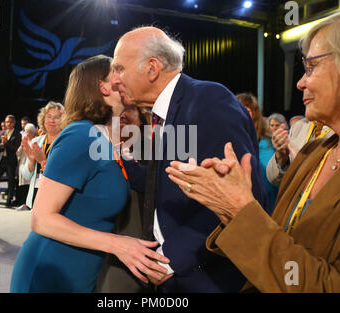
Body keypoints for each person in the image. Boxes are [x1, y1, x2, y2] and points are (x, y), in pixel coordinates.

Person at [166, 2, 340, 292]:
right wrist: (231, 211)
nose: (300, 83)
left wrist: (242, 210)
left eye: (311, 68)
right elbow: (280, 242)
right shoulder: (314, 152)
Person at [111, 27, 269, 292]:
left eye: (119, 69)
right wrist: (118, 156)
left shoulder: (208, 101)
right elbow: (162, 182)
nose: (114, 80)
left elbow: (238, 198)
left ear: (152, 68)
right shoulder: (166, 111)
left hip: (203, 278)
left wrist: (170, 261)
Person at [10, 55, 169, 293]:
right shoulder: (80, 135)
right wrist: (118, 245)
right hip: (50, 272)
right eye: (118, 71)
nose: (126, 76)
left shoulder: (105, 139)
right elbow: (41, 219)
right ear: (102, 86)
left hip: (80, 273)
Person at [96, 106, 152, 293]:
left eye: (128, 109)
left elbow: (149, 183)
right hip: (100, 246)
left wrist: (124, 157)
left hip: (138, 246)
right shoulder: (99, 149)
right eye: (117, 111)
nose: (122, 115)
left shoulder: (152, 146)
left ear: (142, 118)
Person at [237, 93, 278, 210]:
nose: (241, 112)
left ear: (255, 114)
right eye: (238, 107)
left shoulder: (269, 143)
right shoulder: (228, 142)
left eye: (246, 109)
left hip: (270, 207)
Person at [20, 102, 65, 210]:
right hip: (36, 190)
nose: (52, 120)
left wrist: (42, 160)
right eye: (48, 117)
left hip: (55, 193)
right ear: (43, 120)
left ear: (63, 120)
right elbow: (26, 175)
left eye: (56, 117)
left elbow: (63, 174)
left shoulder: (66, 143)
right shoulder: (36, 141)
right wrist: (31, 161)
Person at [267, 117, 334, 186]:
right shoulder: (299, 126)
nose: (305, 105)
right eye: (272, 125)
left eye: (276, 125)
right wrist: (281, 157)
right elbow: (273, 179)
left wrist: (301, 162)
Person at [0, 115, 22, 207]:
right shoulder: (2, 133)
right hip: (1, 160)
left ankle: (8, 201)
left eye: (11, 122)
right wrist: (3, 144)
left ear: (14, 123)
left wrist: (6, 143)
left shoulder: (18, 134)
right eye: (7, 122)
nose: (9, 124)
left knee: (11, 181)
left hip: (11, 161)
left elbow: (15, 148)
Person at [15, 123, 37, 211]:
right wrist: (21, 145)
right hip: (23, 166)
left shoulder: (35, 141)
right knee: (23, 186)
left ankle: (31, 205)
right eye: (26, 132)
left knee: (30, 186)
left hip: (31, 166)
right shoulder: (23, 142)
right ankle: (24, 204)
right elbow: (18, 154)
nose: (28, 134)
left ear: (33, 133)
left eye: (30, 132)